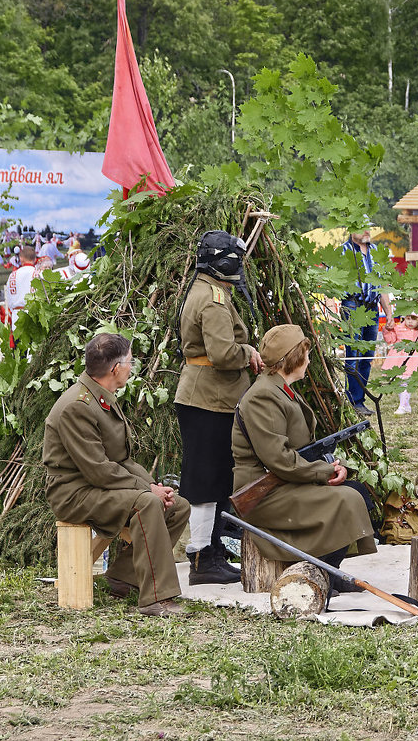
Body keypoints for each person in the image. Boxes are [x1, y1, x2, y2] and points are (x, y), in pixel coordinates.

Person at [44, 334, 190, 617]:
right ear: (115, 369)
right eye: (130, 362)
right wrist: (148, 492)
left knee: (178, 506)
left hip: (96, 485)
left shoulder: (101, 398)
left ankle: (123, 577)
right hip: (72, 493)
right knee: (147, 503)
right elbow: (99, 470)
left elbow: (121, 460)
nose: (131, 367)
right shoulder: (78, 406)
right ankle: (156, 599)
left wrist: (151, 485)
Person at [232, 325, 375, 590]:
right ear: (294, 358)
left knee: (356, 492)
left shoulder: (280, 388)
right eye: (305, 354)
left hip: (285, 482)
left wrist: (331, 467)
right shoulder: (263, 395)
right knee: (347, 499)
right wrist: (323, 472)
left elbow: (297, 451)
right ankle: (321, 574)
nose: (309, 360)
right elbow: (279, 460)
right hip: (265, 494)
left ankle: (327, 573)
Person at [175, 230, 261, 585]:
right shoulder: (212, 299)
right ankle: (201, 558)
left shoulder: (206, 289)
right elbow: (223, 353)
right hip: (208, 399)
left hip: (210, 398)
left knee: (214, 479)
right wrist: (250, 353)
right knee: (205, 481)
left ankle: (210, 553)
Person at [340, 224, 394, 417]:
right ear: (351, 230)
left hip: (372, 308)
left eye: (368, 227)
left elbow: (382, 287)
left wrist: (389, 314)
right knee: (353, 353)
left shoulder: (377, 253)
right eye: (361, 228)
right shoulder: (343, 252)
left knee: (367, 355)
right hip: (352, 306)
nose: (366, 231)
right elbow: (332, 282)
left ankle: (359, 400)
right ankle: (352, 400)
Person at [381, 312, 418, 414]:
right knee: (399, 381)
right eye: (408, 318)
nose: (410, 321)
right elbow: (390, 339)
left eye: (414, 319)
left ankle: (403, 406)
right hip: (398, 358)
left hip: (414, 359)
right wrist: (387, 330)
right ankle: (405, 405)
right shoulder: (398, 328)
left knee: (407, 381)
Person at [5, 246, 38, 329]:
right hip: (34, 317)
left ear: (21, 258)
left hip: (17, 317)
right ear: (34, 259)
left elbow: (8, 297)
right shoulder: (38, 273)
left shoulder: (13, 275)